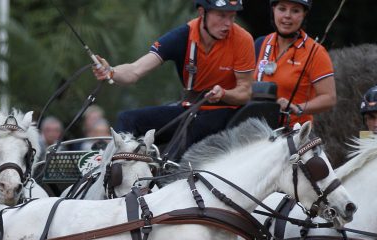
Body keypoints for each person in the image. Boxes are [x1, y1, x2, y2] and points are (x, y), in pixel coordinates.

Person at [92, 0, 255, 158]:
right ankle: (114, 172)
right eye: (221, 16)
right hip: (189, 111)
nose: (228, 24)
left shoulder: (242, 39)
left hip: (223, 113)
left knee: (184, 139)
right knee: (127, 119)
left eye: (232, 17)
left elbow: (244, 93)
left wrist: (224, 93)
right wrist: (111, 71)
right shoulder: (182, 36)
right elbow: (135, 70)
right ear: (201, 12)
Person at [255, 0, 336, 127]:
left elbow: (329, 98)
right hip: (257, 129)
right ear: (273, 10)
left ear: (304, 14)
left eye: (295, 10)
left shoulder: (315, 52)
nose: (287, 15)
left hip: (293, 134)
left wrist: (297, 108)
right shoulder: (261, 43)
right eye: (282, 9)